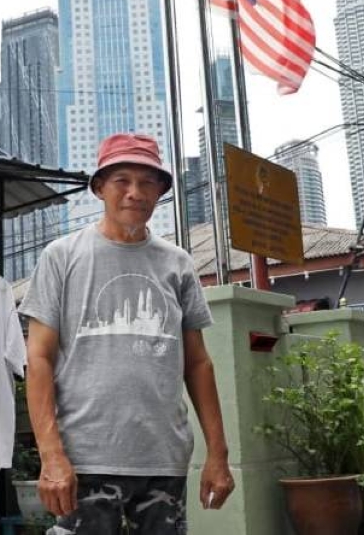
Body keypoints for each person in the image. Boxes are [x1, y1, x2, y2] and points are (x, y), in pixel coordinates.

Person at [19, 132, 234, 534]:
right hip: (85, 460)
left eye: (148, 182)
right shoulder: (62, 256)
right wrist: (51, 455)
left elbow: (199, 363)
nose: (135, 193)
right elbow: (39, 358)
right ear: (100, 188)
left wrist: (218, 455)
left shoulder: (178, 264)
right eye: (122, 181)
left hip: (163, 460)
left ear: (161, 191)